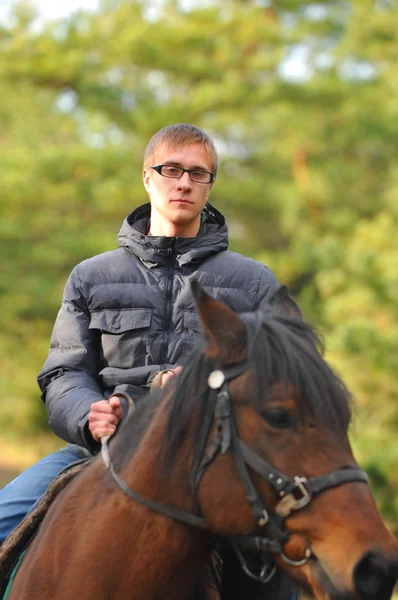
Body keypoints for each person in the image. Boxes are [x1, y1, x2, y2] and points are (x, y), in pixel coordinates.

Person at [0, 123, 279, 546]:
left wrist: (199, 389)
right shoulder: (91, 277)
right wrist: (88, 414)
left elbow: (276, 382)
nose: (184, 182)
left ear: (209, 187)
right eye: (171, 169)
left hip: (218, 463)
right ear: (148, 178)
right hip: (102, 453)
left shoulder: (255, 283)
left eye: (197, 173)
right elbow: (64, 373)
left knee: (292, 554)